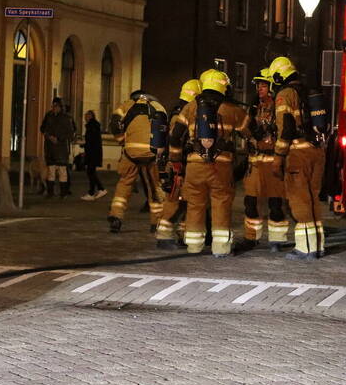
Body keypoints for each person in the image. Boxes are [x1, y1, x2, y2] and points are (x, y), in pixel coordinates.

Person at [162, 69, 250, 257]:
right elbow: (251, 132)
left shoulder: (190, 107)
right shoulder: (232, 109)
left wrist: (176, 161)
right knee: (221, 204)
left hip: (194, 166)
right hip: (221, 166)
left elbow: (175, 137)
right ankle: (221, 248)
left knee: (195, 205)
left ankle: (194, 245)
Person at [270, 56, 326, 260]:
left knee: (299, 200)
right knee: (313, 199)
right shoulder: (307, 91)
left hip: (298, 154)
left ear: (278, 76)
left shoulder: (285, 95)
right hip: (317, 151)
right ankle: (318, 245)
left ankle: (305, 248)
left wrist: (278, 156)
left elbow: (286, 128)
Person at [236, 68, 290, 253]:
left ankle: (277, 239)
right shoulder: (254, 107)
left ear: (272, 87)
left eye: (263, 85)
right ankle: (251, 237)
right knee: (250, 202)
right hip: (255, 162)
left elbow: (285, 131)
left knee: (276, 203)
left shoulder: (279, 106)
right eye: (258, 85)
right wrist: (251, 130)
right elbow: (242, 129)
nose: (259, 88)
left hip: (273, 161)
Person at [107, 90, 168, 233]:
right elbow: (164, 129)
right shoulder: (158, 106)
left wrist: (123, 142)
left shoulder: (126, 106)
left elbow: (115, 124)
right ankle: (157, 222)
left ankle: (116, 216)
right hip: (151, 153)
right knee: (155, 187)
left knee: (124, 184)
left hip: (130, 154)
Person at [155, 78, 202, 248]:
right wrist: (177, 167)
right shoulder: (180, 116)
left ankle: (183, 234)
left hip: (182, 165)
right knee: (174, 201)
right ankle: (164, 236)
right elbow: (176, 142)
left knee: (186, 201)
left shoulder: (180, 112)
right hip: (177, 165)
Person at [40, 98, 75, 198]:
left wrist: (59, 138)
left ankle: (63, 193)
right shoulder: (49, 116)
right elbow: (42, 128)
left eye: (56, 106)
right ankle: (50, 192)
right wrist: (48, 136)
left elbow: (70, 133)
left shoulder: (66, 118)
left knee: (62, 171)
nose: (54, 108)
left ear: (60, 107)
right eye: (53, 106)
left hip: (61, 148)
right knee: (51, 171)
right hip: (50, 147)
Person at [80, 110, 107, 201]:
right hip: (93, 152)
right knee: (91, 172)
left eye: (86, 116)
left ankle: (94, 191)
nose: (85, 118)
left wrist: (86, 147)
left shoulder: (92, 126)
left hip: (92, 153)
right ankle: (99, 189)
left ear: (91, 116)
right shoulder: (94, 126)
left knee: (90, 172)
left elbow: (91, 141)